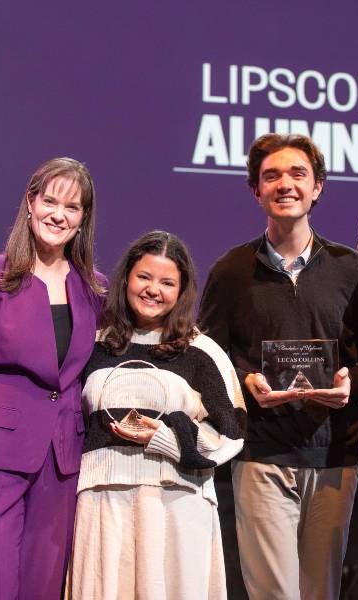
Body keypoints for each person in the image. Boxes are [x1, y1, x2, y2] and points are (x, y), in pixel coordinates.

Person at [199, 133, 358, 600]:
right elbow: (206, 363)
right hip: (261, 453)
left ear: (318, 186)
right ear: (255, 190)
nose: (285, 184)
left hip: (334, 455)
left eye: (298, 174)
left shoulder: (353, 270)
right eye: (271, 176)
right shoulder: (231, 272)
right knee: (275, 595)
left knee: (321, 593)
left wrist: (349, 386)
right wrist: (245, 384)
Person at [0, 157, 106, 599]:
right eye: (50, 201)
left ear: (83, 218)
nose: (58, 215)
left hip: (61, 465)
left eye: (72, 207)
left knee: (42, 590)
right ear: (30, 202)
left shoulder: (93, 288)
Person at [69, 230, 245, 600]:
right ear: (127, 279)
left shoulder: (201, 350)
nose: (153, 290)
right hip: (102, 500)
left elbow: (232, 431)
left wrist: (165, 439)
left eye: (167, 282)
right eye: (144, 277)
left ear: (181, 292)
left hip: (177, 501)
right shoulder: (94, 345)